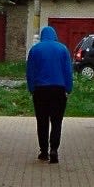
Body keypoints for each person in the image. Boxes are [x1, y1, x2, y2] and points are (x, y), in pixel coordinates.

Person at [25, 25, 73, 162]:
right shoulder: (63, 49)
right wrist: (68, 88)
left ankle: (44, 151)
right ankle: (54, 150)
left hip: (40, 90)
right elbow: (68, 71)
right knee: (57, 121)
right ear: (55, 35)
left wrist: (32, 88)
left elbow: (30, 72)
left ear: (42, 36)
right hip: (58, 89)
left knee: (42, 121)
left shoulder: (35, 50)